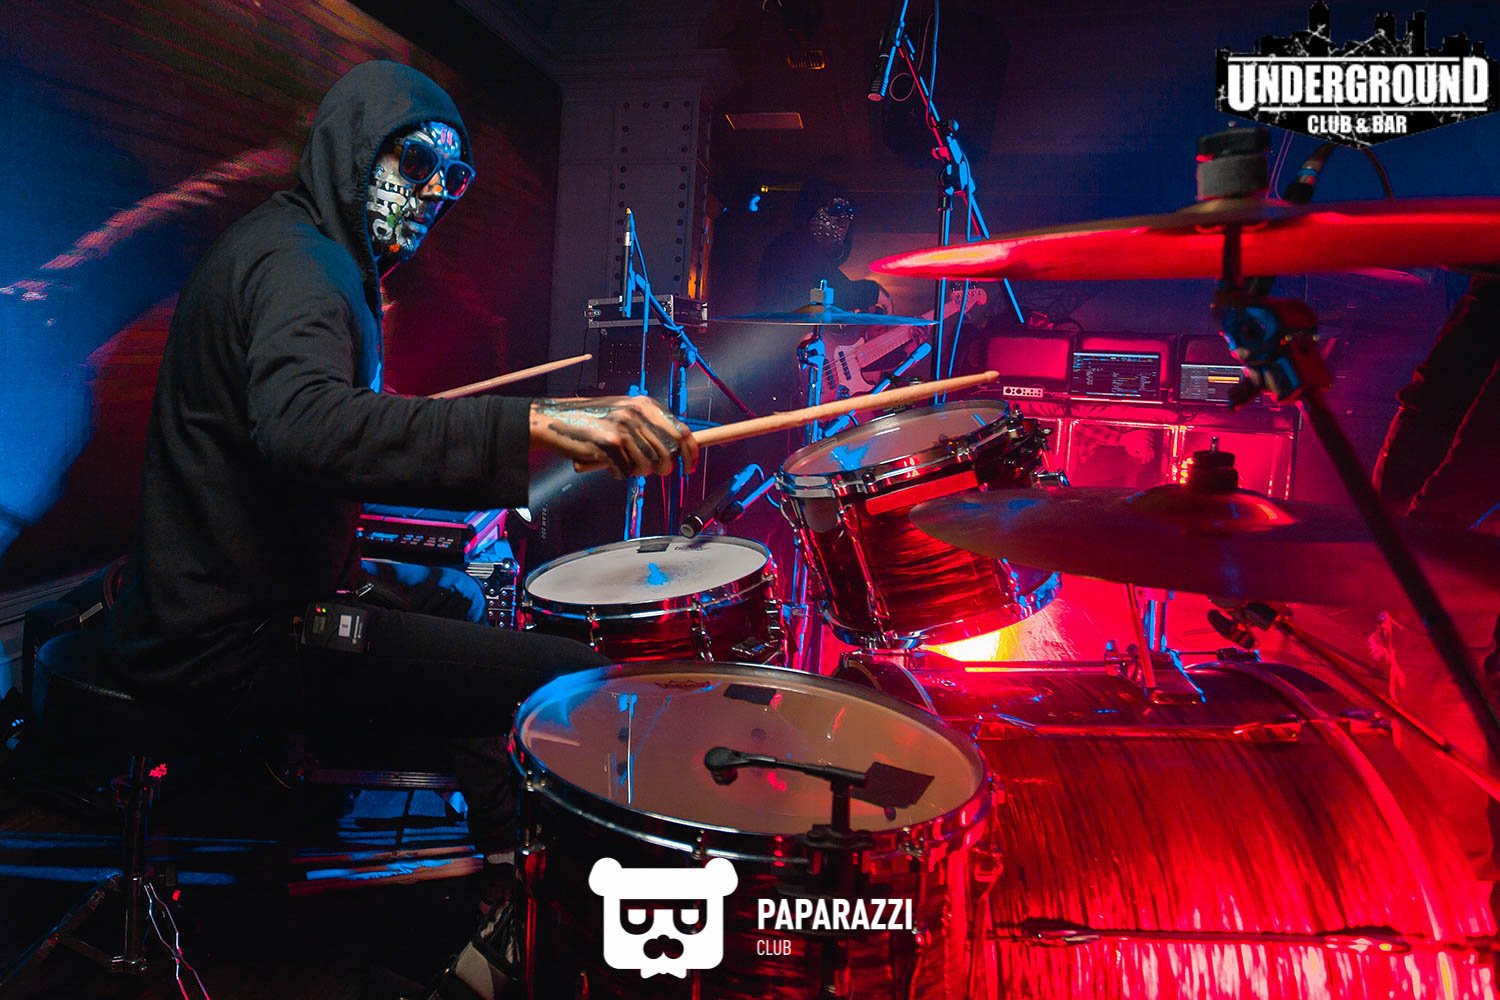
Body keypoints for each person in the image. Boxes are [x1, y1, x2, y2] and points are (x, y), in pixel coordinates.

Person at [103, 60, 697, 917]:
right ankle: (545, 905)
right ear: (354, 149)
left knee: (459, 601)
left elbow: (308, 432)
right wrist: (536, 423)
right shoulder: (304, 267)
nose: (432, 195)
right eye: (414, 164)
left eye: (451, 179)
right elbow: (306, 427)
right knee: (578, 677)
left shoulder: (295, 245)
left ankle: (502, 857)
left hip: (225, 597)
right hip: (237, 637)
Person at [1371, 273, 1500, 895]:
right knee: (1427, 672)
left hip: (1447, 533)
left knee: (1433, 678)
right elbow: (1436, 400)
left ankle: (1461, 906)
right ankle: (1457, 897)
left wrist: (1429, 530)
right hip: (1431, 526)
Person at [756, 179, 894, 316]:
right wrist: (872, 293)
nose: (844, 220)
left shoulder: (807, 251)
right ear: (811, 211)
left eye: (849, 213)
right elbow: (832, 291)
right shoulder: (793, 248)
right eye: (836, 210)